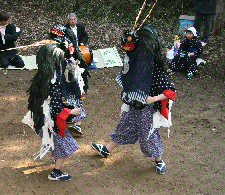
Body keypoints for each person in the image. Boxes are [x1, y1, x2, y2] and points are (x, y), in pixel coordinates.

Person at [91, 23, 176, 175]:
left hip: (148, 107)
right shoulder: (137, 61)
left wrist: (153, 98)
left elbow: (171, 92)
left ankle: (159, 160)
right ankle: (107, 150)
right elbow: (128, 54)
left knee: (148, 133)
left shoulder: (154, 67)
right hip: (133, 103)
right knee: (124, 125)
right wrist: (130, 38)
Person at [22, 26, 86, 181]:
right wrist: (72, 112)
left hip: (43, 120)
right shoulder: (54, 83)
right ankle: (56, 172)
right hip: (51, 123)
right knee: (66, 145)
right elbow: (56, 108)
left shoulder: (43, 79)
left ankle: (55, 155)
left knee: (56, 142)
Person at [65, 13, 90, 134]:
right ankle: (70, 116)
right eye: (71, 19)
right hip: (70, 67)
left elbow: (85, 36)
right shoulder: (65, 30)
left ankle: (77, 122)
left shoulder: (81, 28)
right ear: (68, 20)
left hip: (78, 73)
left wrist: (82, 44)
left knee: (79, 94)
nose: (73, 21)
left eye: (75, 19)